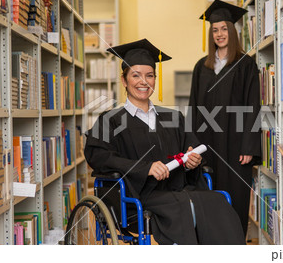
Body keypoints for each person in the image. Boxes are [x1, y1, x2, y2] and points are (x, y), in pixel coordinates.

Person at [84, 39, 245, 245]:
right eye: (136, 75)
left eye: (149, 75)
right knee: (183, 208)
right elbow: (99, 156)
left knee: (217, 201)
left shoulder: (173, 117)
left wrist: (192, 161)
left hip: (180, 189)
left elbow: (192, 148)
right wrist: (145, 168)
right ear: (124, 81)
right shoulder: (110, 120)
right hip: (140, 195)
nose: (144, 81)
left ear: (155, 80)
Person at [188, 0, 262, 236]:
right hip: (206, 143)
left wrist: (248, 145)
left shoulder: (246, 65)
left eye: (224, 29)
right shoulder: (202, 67)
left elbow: (252, 106)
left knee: (235, 198)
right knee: (207, 195)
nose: (219, 34)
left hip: (235, 144)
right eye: (215, 29)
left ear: (232, 31)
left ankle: (235, 243)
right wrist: (191, 144)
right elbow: (194, 107)